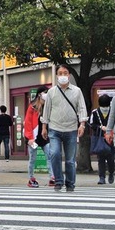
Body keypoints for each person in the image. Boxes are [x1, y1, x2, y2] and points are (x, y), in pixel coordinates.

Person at [41, 64, 87, 192]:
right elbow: (47, 110)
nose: (62, 76)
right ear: (56, 75)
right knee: (55, 154)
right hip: (54, 128)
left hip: (71, 129)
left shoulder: (77, 91)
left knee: (70, 160)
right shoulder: (51, 92)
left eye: (65, 73)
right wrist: (44, 127)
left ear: (69, 75)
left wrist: (82, 124)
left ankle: (70, 183)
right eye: (60, 73)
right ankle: (58, 181)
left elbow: (82, 108)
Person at [24, 86, 54, 187]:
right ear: (40, 94)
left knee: (49, 155)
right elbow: (28, 123)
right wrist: (30, 138)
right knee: (32, 158)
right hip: (34, 136)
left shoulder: (49, 105)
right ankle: (31, 178)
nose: (46, 94)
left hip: (45, 135)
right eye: (45, 92)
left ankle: (52, 177)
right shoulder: (32, 106)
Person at [90, 94, 115, 185]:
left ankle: (111, 173)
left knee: (111, 157)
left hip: (111, 138)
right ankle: (102, 177)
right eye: (103, 106)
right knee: (100, 158)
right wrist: (100, 127)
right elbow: (92, 124)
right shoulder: (95, 112)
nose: (105, 108)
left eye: (106, 106)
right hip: (99, 137)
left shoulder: (113, 111)